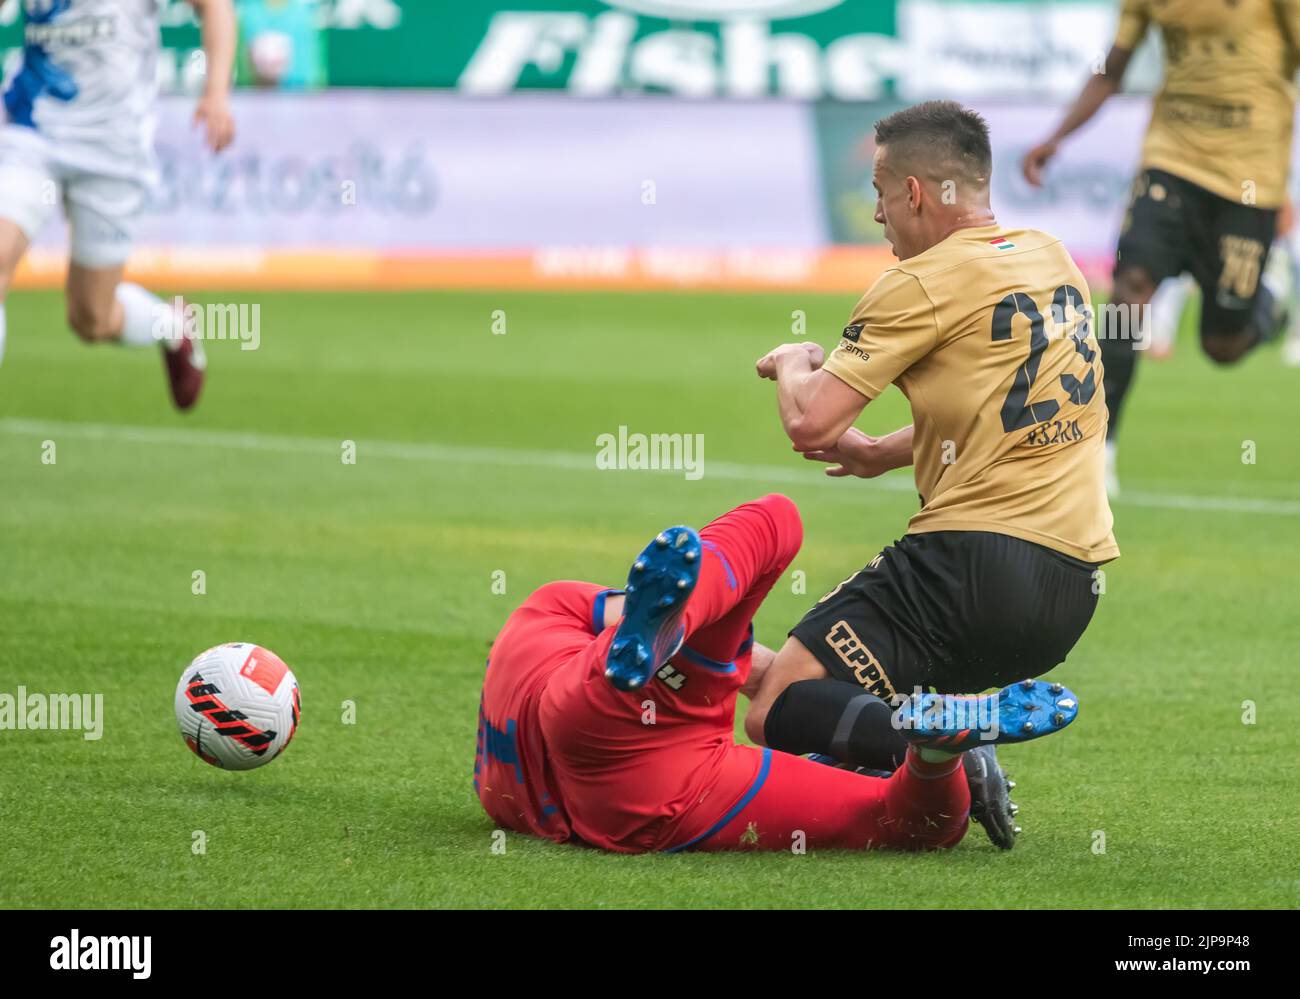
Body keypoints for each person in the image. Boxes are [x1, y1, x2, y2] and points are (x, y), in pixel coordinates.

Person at [740, 102, 1115, 853]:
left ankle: (952, 748)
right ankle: (936, 741)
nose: (876, 212)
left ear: (915, 192)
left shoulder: (917, 281)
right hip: (1070, 591)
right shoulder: (1051, 255)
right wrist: (884, 452)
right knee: (825, 681)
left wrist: (793, 364)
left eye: (880, 190)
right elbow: (1020, 400)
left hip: (970, 565)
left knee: (778, 704)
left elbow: (811, 423)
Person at [474, 493, 1080, 854]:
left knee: (895, 823)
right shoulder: (536, 617)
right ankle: (931, 753)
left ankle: (934, 754)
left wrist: (754, 669)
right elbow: (617, 615)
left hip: (614, 759)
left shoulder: (541, 626)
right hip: (633, 757)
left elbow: (628, 625)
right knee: (774, 519)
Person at [1022, 0, 1299, 494]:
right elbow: (1111, 69)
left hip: (1248, 179)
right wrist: (1056, 137)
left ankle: (1271, 303)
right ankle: (1097, 448)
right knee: (1129, 292)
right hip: (1169, 163)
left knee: (1223, 345)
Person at [0, 0, 238, 409]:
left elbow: (215, 7)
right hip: (31, 133)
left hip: (114, 150)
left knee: (91, 319)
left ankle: (172, 325)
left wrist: (215, 93)